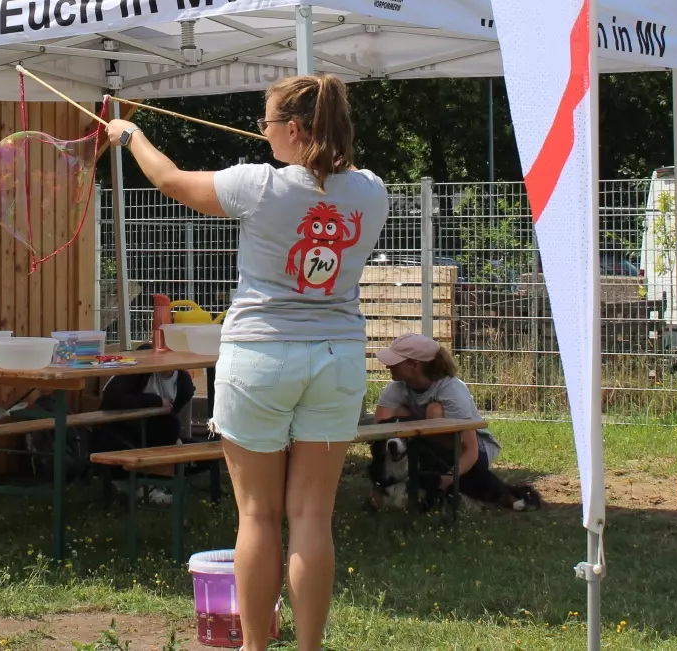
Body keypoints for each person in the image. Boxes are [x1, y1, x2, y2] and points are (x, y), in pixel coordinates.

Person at [107, 73, 388, 651]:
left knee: (258, 517)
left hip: (261, 354)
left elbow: (170, 180)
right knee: (312, 516)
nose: (261, 133)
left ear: (292, 129)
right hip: (336, 359)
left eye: (266, 123)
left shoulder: (257, 185)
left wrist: (129, 132)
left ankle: (256, 649)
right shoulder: (372, 191)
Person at [374, 334, 542, 511]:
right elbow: (382, 430)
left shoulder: (452, 389)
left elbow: (471, 449)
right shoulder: (396, 387)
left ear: (415, 364)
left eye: (395, 361)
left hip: (472, 451)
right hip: (427, 446)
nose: (387, 365)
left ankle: (468, 489)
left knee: (435, 411)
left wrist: (447, 479)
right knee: (398, 414)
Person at [92, 368, 198, 506]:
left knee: (172, 428)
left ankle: (159, 482)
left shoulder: (183, 382)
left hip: (149, 434)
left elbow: (174, 411)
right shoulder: (141, 368)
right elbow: (112, 396)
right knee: (169, 425)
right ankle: (137, 486)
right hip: (117, 431)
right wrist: (154, 400)